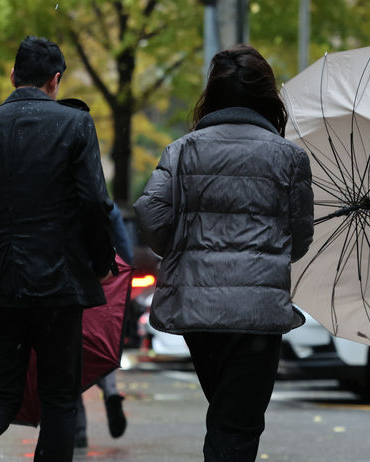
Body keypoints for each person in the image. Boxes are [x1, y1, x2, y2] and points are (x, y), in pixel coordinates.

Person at [0, 36, 115, 462]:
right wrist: (101, 262)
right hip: (58, 284)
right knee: (59, 397)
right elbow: (93, 202)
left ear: (13, 76)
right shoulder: (76, 125)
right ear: (56, 80)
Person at [133, 44, 314, 462]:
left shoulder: (183, 150)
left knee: (226, 417)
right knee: (238, 425)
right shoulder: (289, 158)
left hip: (198, 312)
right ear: (267, 96)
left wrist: (179, 248)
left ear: (211, 95)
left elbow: (149, 210)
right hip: (257, 314)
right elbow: (300, 237)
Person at [74, 203, 130, 448]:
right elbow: (124, 247)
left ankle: (78, 432)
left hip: (65, 279)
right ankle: (111, 391)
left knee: (69, 353)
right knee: (98, 341)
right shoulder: (107, 206)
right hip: (103, 282)